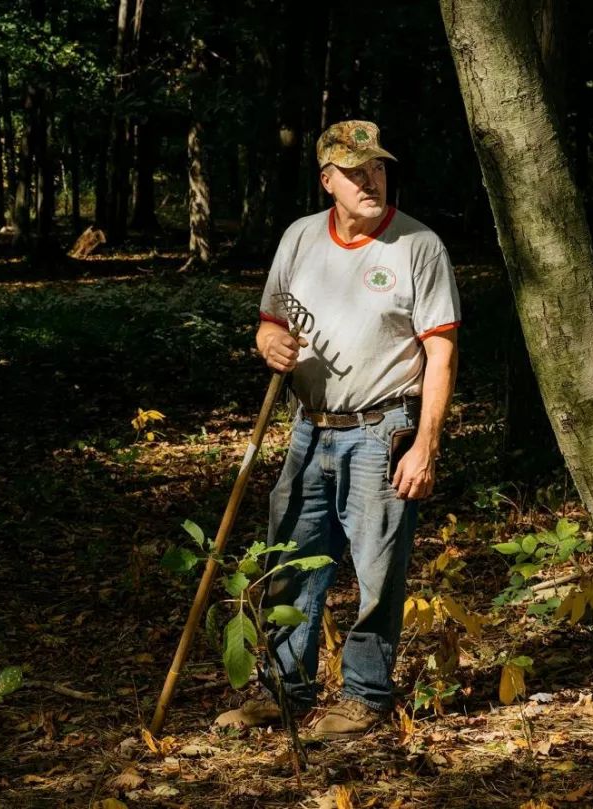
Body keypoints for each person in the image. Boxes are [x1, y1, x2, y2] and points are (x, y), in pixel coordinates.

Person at [215, 120, 460, 739]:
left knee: (379, 570)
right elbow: (269, 321)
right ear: (328, 181)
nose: (370, 181)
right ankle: (285, 690)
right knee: (291, 561)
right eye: (355, 172)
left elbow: (442, 353)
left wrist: (426, 444)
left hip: (383, 428)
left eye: (377, 168)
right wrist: (270, 343)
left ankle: (365, 695)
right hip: (309, 429)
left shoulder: (416, 246)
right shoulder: (300, 239)